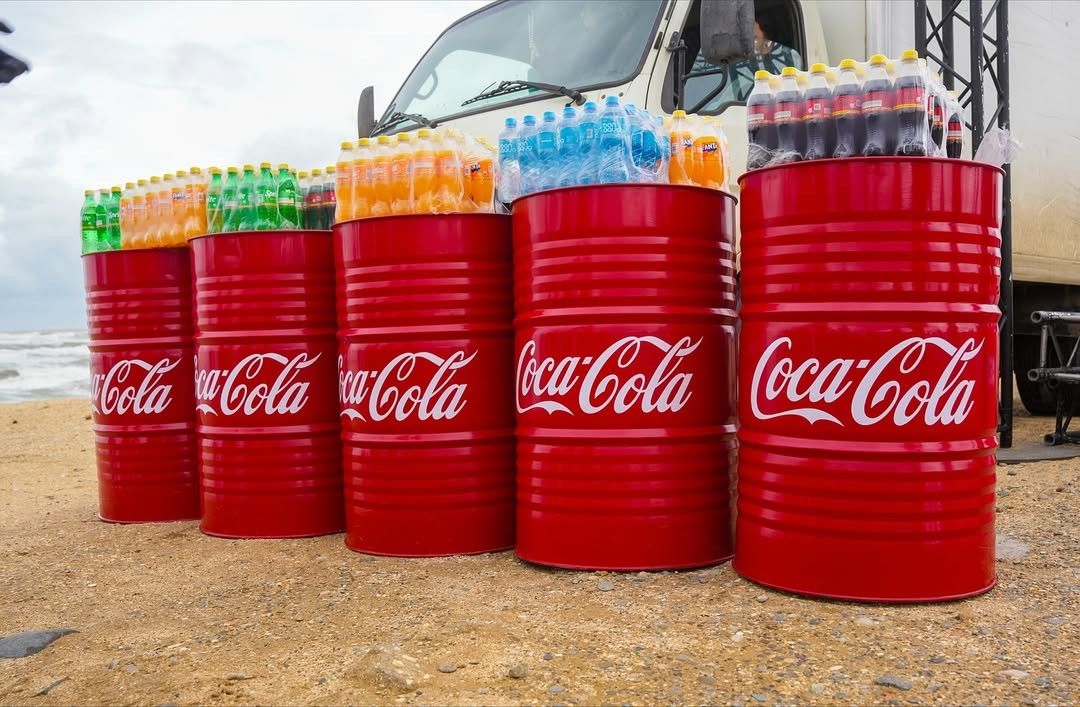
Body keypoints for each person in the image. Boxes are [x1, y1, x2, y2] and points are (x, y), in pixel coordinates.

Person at [684, 19, 802, 111]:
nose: (745, 46)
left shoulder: (789, 72)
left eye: (753, 39)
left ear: (768, 46)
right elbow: (713, 110)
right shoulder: (736, 81)